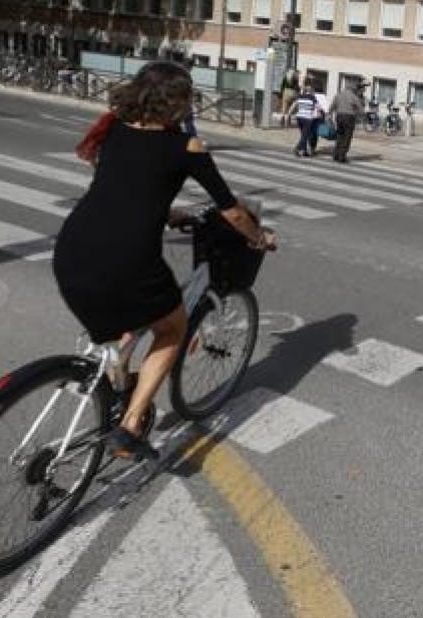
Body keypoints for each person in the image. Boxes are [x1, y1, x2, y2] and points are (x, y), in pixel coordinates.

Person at [57, 61, 275, 460]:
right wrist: (259, 237)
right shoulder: (186, 147)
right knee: (172, 328)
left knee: (126, 320)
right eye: (188, 96)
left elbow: (124, 183)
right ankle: (129, 428)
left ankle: (118, 384)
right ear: (175, 102)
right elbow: (231, 211)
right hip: (126, 260)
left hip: (71, 251)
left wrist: (165, 212)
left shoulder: (113, 128)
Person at [329, 80, 366, 163]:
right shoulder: (354, 97)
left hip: (339, 116)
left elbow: (332, 105)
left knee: (339, 136)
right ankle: (342, 156)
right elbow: (360, 109)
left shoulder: (338, 95)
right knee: (347, 137)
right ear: (354, 89)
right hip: (349, 117)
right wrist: (363, 117)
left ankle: (336, 154)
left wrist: (329, 114)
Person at [290, 83, 319, 157]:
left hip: (299, 117)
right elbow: (318, 107)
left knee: (303, 134)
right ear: (311, 90)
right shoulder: (312, 98)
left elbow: (294, 105)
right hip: (307, 118)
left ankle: (304, 151)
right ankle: (297, 148)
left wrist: (288, 114)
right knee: (305, 135)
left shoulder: (300, 96)